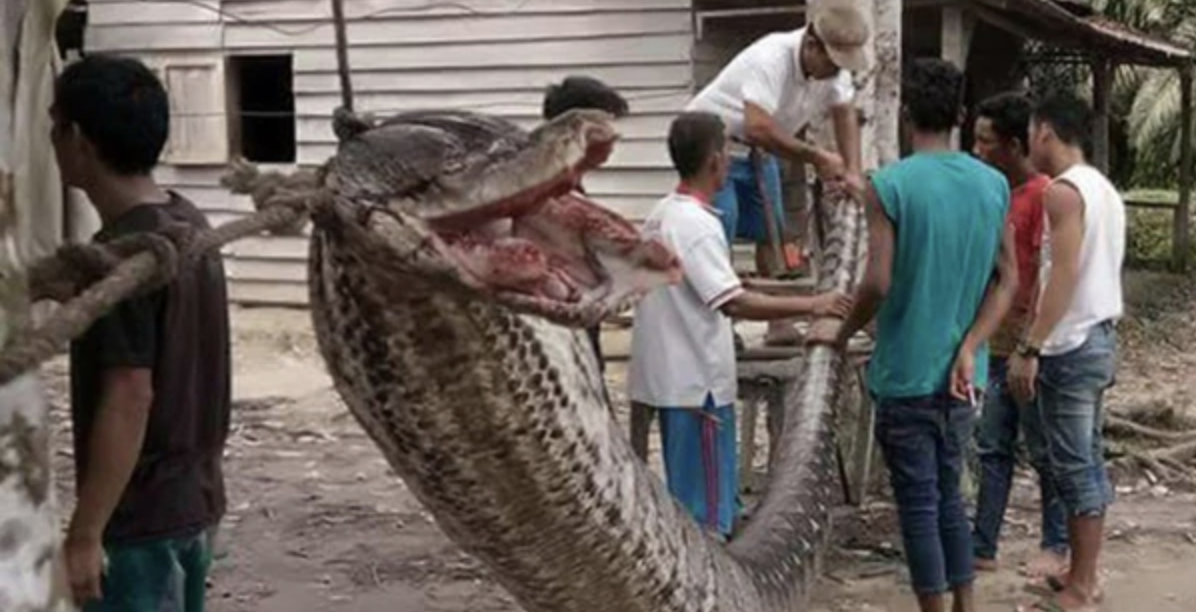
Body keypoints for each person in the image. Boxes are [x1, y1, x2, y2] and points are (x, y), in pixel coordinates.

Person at [811, 58, 1018, 612]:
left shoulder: (891, 184)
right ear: (960, 115)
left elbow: (876, 280)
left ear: (906, 116)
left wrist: (842, 328)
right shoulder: (994, 183)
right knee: (950, 496)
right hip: (963, 375)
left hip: (905, 372)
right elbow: (1008, 279)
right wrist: (972, 345)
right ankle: (965, 605)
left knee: (919, 504)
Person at [50, 54, 232, 612]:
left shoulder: (126, 259)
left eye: (53, 124)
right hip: (195, 504)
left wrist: (85, 533)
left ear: (76, 137)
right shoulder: (187, 224)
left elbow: (131, 395)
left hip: (140, 523)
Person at [627, 111, 851, 540]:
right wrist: (815, 303)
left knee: (693, 495)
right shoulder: (696, 225)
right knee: (707, 515)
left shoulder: (662, 214)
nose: (731, 163)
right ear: (715, 161)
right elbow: (734, 303)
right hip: (697, 381)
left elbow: (708, 286)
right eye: (727, 154)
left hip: (670, 376)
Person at [685, 0, 870, 346]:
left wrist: (853, 171)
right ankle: (720, 326)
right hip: (715, 147)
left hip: (761, 151)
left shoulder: (833, 69)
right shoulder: (771, 57)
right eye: (830, 63)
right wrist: (817, 156)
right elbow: (758, 127)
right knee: (717, 233)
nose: (834, 72)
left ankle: (779, 322)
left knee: (773, 236)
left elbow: (845, 113)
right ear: (812, 45)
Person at [1008, 92, 1125, 612]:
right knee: (1082, 459)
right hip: (1096, 335)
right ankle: (1081, 574)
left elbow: (1065, 275)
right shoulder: (1103, 189)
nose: (1028, 142)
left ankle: (1083, 585)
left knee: (1075, 465)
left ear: (1046, 132)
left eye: (1031, 132)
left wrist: (1031, 345)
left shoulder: (1063, 192)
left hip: (1072, 343)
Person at [969, 92, 1069, 581]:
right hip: (995, 343)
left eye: (985, 141)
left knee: (1044, 451)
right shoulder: (991, 192)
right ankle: (982, 544)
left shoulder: (1044, 195)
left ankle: (1056, 543)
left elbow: (1047, 277)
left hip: (1030, 349)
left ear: (1012, 145)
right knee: (992, 447)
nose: (977, 150)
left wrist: (1029, 348)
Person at [541, 75, 630, 402]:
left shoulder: (568, 185)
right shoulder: (546, 191)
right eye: (605, 126)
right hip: (560, 355)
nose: (613, 138)